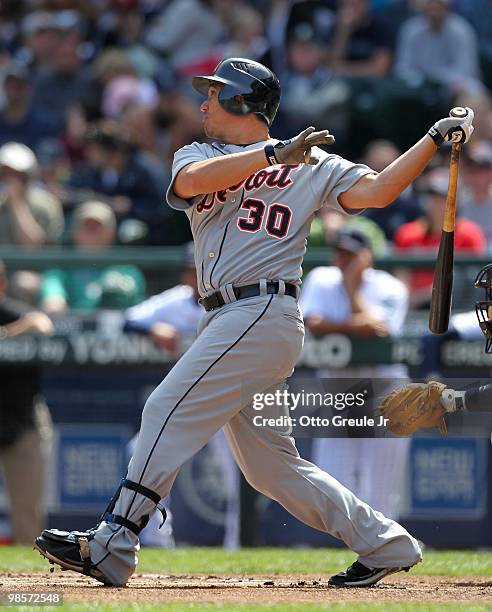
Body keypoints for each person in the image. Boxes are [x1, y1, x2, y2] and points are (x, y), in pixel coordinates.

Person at [35, 57, 475, 588]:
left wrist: (431, 139)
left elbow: (377, 191)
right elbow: (193, 182)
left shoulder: (310, 164)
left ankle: (114, 542)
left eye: (216, 94)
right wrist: (270, 154)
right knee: (271, 469)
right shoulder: (197, 152)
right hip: (228, 317)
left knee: (164, 406)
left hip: (262, 311)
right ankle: (386, 543)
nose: (203, 102)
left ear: (244, 102)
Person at [124, 243, 240, 550]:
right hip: (184, 402)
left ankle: (237, 544)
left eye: (200, 268)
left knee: (242, 473)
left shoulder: (232, 299)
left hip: (223, 399)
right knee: (143, 452)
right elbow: (130, 319)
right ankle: (156, 540)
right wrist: (154, 329)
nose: (197, 275)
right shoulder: (175, 300)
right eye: (192, 270)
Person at [301, 226, 410, 520]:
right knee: (333, 478)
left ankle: (385, 547)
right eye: (340, 253)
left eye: (350, 254)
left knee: (382, 489)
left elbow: (380, 330)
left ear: (367, 257)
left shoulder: (390, 286)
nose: (343, 259)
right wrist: (354, 326)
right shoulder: (321, 278)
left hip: (385, 389)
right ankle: (344, 547)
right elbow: (311, 322)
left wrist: (351, 289)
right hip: (340, 390)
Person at [0, 260, 54, 544]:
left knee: (28, 516)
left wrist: (6, 335)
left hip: (22, 422)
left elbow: (43, 325)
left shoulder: (14, 314)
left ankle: (30, 586)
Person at [394, 166, 486, 309]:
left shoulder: (470, 233)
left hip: (455, 307)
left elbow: (471, 281)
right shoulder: (408, 232)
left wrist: (424, 295)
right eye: (433, 197)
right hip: (412, 307)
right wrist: (407, 301)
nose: (438, 204)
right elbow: (401, 275)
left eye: (444, 198)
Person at [39, 200, 145, 313]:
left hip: (119, 328)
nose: (92, 232)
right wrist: (55, 303)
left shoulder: (127, 270)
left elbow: (138, 311)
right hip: (74, 328)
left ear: (112, 232)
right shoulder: (61, 267)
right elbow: (53, 297)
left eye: (98, 227)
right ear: (75, 231)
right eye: (87, 226)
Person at [394, 0, 484, 98]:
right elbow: (403, 68)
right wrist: (421, 82)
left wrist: (443, 82)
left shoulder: (461, 30)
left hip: (454, 84)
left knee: (473, 91)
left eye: (438, 6)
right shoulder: (411, 29)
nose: (434, 11)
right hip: (419, 85)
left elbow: (467, 70)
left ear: (447, 8)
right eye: (430, 7)